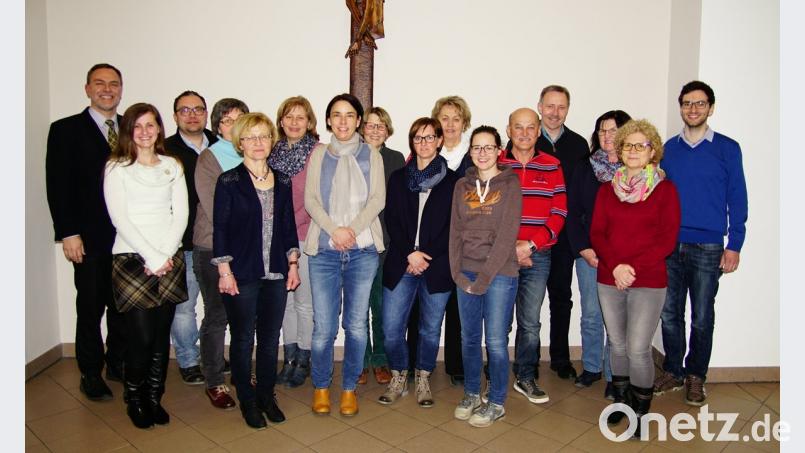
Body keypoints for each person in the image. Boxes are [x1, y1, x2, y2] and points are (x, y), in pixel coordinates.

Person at [654, 81, 748, 406]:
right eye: (687, 104)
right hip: (670, 244)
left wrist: (734, 243)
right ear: (680, 107)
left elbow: (737, 197)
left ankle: (696, 376)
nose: (693, 109)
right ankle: (673, 370)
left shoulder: (727, 148)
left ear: (711, 107)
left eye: (700, 103)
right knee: (669, 313)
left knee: (702, 315)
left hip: (708, 247)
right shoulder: (668, 149)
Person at [590, 119, 680, 439]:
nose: (633, 151)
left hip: (649, 279)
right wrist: (616, 267)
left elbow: (667, 240)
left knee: (639, 348)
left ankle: (641, 412)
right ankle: (622, 401)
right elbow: (597, 233)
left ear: (652, 152)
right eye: (628, 145)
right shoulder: (606, 190)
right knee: (616, 343)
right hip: (609, 277)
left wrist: (632, 269)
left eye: (640, 145)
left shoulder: (665, 190)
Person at [103, 103, 189, 429]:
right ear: (129, 131)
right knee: (139, 337)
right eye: (137, 126)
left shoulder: (172, 165)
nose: (144, 132)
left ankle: (154, 397)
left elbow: (180, 214)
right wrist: (152, 257)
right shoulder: (117, 167)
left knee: (159, 337)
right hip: (131, 258)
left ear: (158, 129)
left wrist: (165, 254)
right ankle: (134, 397)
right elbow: (119, 218)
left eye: (150, 125)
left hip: (169, 258)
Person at [213, 112, 300, 429]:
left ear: (271, 140)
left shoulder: (283, 180)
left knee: (268, 340)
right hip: (243, 273)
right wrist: (225, 270)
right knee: (242, 339)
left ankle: (266, 395)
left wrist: (293, 264)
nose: (258, 142)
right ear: (240, 143)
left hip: (276, 272)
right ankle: (248, 402)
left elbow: (288, 226)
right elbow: (219, 229)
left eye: (264, 135)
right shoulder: (230, 181)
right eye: (251, 137)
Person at [45, 63, 127, 401]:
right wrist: (68, 232)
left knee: (122, 306)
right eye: (100, 83)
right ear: (87, 89)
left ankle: (117, 362)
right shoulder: (65, 130)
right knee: (91, 308)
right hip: (88, 238)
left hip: (126, 238)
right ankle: (90, 373)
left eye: (114, 84)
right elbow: (58, 184)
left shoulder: (130, 129)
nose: (107, 89)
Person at [306, 93, 385, 417]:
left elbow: (377, 199)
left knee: (355, 325)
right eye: (336, 115)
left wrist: (350, 230)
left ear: (358, 121)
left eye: (349, 115)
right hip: (324, 251)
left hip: (363, 250)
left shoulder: (371, 155)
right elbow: (311, 199)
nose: (342, 121)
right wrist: (334, 231)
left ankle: (349, 387)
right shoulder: (319, 155)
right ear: (328, 120)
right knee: (324, 326)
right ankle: (322, 386)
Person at [377, 117, 458, 407]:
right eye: (418, 138)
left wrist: (426, 255)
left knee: (429, 328)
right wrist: (409, 253)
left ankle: (423, 375)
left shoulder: (453, 181)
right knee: (391, 327)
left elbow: (453, 226)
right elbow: (392, 220)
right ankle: (400, 373)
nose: (423, 143)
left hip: (436, 267)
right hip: (401, 262)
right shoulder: (399, 178)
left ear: (439, 141)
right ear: (412, 142)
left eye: (429, 137)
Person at [450, 126, 522, 428]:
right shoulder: (461, 187)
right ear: (471, 151)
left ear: (498, 151)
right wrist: (456, 272)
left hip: (500, 274)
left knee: (494, 340)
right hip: (465, 272)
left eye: (488, 147)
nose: (482, 153)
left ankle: (496, 402)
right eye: (477, 147)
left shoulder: (510, 184)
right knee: (468, 339)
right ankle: (470, 393)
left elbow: (507, 236)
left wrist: (484, 278)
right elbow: (454, 231)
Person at [497, 108, 566, 405]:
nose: (524, 133)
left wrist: (530, 247)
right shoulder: (496, 164)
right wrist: (511, 247)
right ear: (509, 130)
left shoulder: (552, 165)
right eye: (518, 127)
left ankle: (526, 376)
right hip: (500, 256)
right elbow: (486, 213)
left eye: (530, 128)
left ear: (538, 131)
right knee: (499, 321)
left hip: (539, 257)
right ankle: (496, 376)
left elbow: (559, 213)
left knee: (530, 321)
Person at [566, 110, 632, 398]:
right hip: (590, 254)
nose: (607, 136)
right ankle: (592, 367)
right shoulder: (585, 167)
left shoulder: (637, 170)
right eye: (602, 131)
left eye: (614, 130)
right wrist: (584, 248)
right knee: (592, 314)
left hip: (624, 257)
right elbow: (573, 211)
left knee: (617, 319)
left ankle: (613, 373)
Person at [194, 98, 250, 409]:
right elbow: (216, 208)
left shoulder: (255, 154)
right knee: (217, 316)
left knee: (244, 316)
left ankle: (242, 371)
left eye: (240, 118)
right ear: (218, 127)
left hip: (246, 250)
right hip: (212, 247)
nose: (235, 124)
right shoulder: (209, 158)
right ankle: (214, 380)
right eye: (228, 120)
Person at [536, 85, 590, 380]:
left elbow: (580, 194)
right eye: (549, 106)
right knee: (526, 300)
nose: (555, 113)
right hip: (531, 237)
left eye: (561, 107)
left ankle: (559, 358)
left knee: (560, 296)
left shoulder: (579, 145)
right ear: (540, 106)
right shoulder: (526, 140)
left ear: (567, 109)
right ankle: (527, 359)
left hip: (564, 234)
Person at [165, 90, 218, 385]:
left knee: (215, 305)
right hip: (182, 241)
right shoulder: (165, 150)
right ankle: (188, 359)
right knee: (185, 305)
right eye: (185, 110)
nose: (192, 114)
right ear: (175, 116)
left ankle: (211, 353)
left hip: (214, 241)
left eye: (198, 109)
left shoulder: (222, 145)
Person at [270, 96, 322, 389]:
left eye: (300, 117)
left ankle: (303, 359)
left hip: (305, 237)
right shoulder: (271, 152)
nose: (293, 122)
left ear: (310, 122)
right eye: (288, 116)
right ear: (280, 121)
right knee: (284, 302)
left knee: (304, 302)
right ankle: (288, 358)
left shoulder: (318, 152)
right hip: (276, 239)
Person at [359, 106, 405, 386]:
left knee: (381, 306)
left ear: (387, 131)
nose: (375, 130)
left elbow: (400, 205)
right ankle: (361, 361)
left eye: (381, 126)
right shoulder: (351, 157)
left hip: (387, 243)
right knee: (359, 306)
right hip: (357, 243)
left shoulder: (396, 159)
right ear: (362, 129)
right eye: (370, 125)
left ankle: (380, 359)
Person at [431, 95, 472, 385]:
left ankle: (457, 367)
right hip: (433, 244)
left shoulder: (476, 156)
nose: (450, 124)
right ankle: (421, 365)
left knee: (459, 309)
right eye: (444, 118)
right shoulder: (426, 154)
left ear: (464, 123)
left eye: (456, 119)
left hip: (465, 246)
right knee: (426, 308)